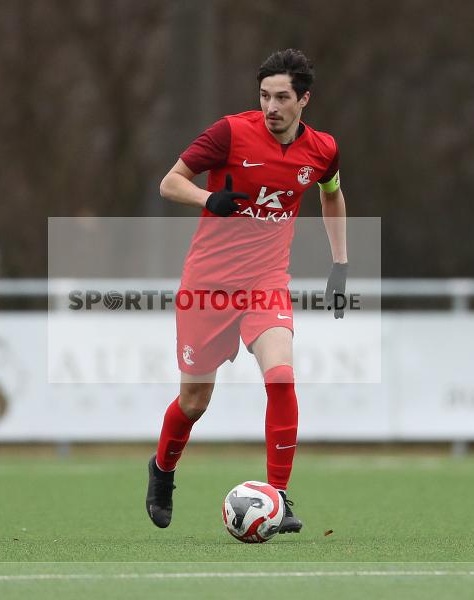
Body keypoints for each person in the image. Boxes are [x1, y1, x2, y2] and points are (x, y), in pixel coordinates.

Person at [146, 49, 347, 534]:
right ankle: (162, 471)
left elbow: (332, 193)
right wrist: (207, 198)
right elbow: (168, 183)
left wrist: (340, 264)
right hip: (208, 286)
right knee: (194, 402)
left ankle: (278, 495)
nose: (271, 106)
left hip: (266, 284)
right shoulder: (230, 133)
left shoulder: (322, 150)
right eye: (264, 96)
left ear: (304, 100)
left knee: (281, 377)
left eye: (282, 97)